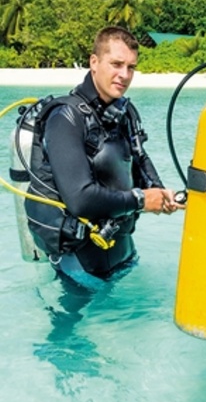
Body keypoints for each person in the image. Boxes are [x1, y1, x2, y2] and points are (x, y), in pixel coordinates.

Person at [25, 26, 181, 289]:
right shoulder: (66, 118)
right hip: (78, 263)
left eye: (131, 67)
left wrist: (162, 194)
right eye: (117, 64)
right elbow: (80, 199)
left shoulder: (125, 112)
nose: (125, 75)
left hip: (122, 252)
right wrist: (142, 200)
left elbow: (139, 160)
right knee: (70, 331)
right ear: (94, 62)